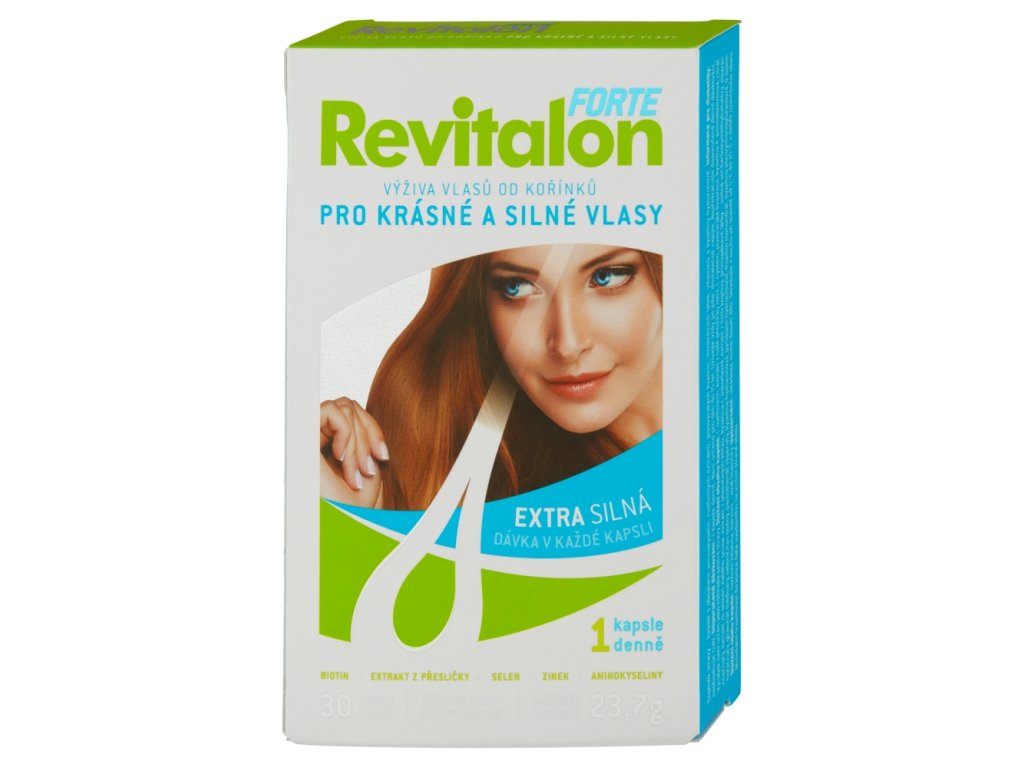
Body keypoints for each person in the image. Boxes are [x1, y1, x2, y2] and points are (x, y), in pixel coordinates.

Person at [320, 244, 663, 510]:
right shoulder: (448, 470)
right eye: (518, 287)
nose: (568, 344)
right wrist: (353, 524)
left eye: (607, 276)